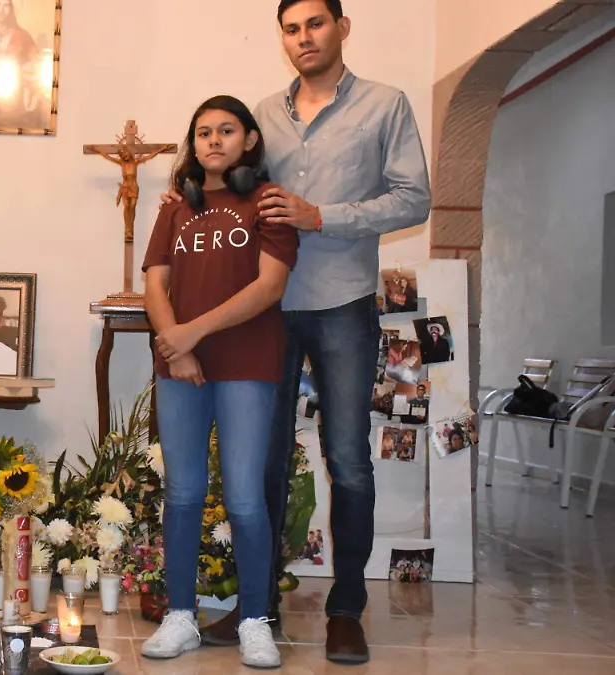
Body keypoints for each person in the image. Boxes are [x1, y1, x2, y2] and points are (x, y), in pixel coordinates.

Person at [163, 0, 431, 664]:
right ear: (282, 38)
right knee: (263, 465)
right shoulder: (262, 115)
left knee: (347, 457)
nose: (303, 37)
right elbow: (223, 179)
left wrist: (322, 214)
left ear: (342, 27)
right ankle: (262, 606)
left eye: (315, 23)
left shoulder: (385, 104)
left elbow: (414, 198)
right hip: (260, 311)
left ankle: (346, 610)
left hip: (340, 301)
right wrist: (183, 194)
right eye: (291, 28)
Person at [139, 95, 298, 669]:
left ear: (249, 139)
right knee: (182, 493)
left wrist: (191, 334)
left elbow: (269, 287)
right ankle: (181, 614)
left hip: (247, 361)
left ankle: (256, 619)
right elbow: (155, 283)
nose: (212, 140)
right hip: (180, 366)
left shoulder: (268, 203)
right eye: (202, 132)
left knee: (244, 498)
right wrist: (175, 344)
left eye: (226, 130)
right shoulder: (177, 207)